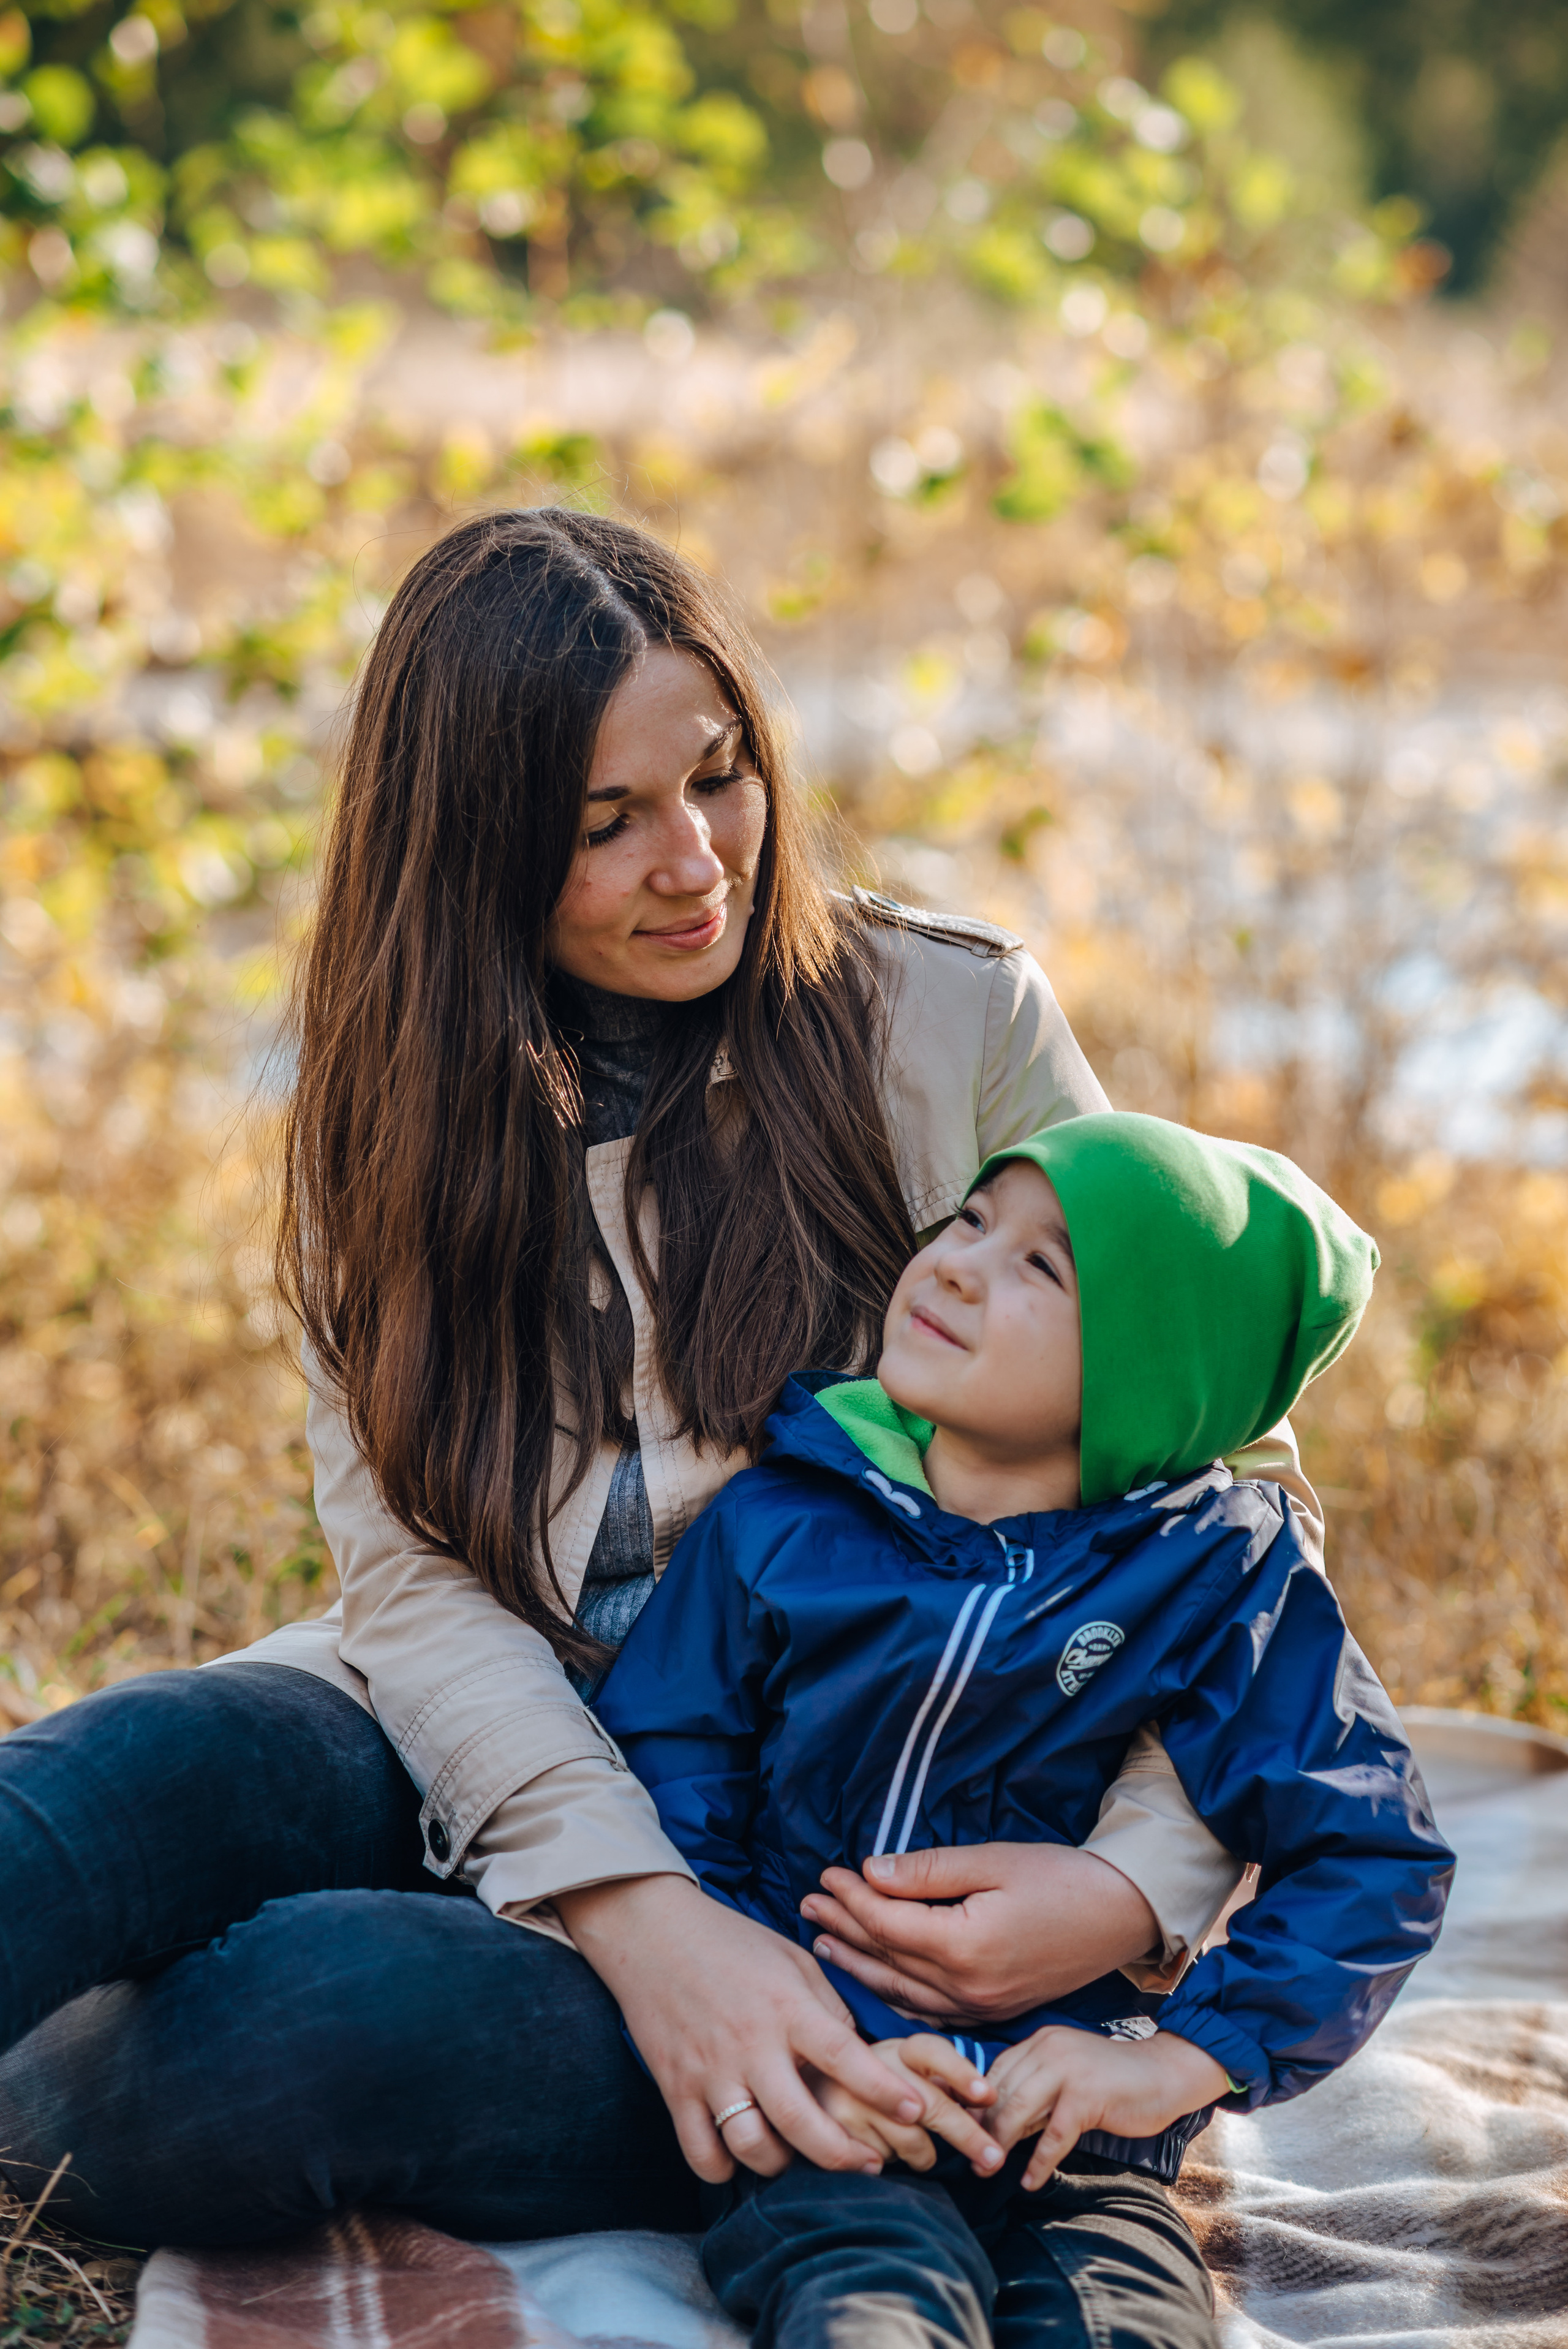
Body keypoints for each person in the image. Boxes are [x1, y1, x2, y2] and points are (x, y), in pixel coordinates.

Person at [1, 512, 1308, 2249]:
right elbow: (411, 1576)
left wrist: (1126, 1886)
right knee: (119, 1778)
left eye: (719, 777)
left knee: (306, 2020)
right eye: (605, 824)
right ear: (471, 854)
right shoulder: (388, 1107)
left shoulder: (954, 1024)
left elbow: (1241, 1497)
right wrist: (638, 1914)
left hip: (856, 1815)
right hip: (492, 1713)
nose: (697, 860)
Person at [594, 1114, 1455, 2349]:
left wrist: (1180, 2059)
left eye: (1040, 1267)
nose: (953, 1264)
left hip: (1073, 2118)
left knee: (1123, 2315)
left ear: (1156, 1372)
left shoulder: (1216, 1577)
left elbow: (1370, 1856)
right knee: (865, 2296)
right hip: (829, 2084)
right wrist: (775, 1995)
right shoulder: (788, 1514)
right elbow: (671, 1756)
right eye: (969, 1221)